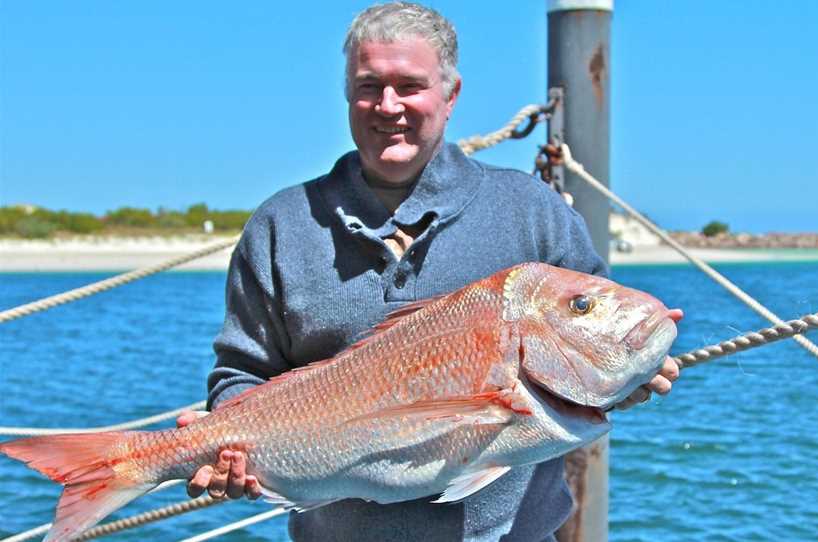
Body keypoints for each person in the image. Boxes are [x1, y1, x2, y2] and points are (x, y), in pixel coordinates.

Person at [177, 3, 679, 541]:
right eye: (369, 85)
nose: (388, 105)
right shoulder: (281, 225)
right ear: (348, 93)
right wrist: (224, 443)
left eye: (410, 85)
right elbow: (240, 373)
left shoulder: (533, 212)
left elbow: (596, 329)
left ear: (451, 94)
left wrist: (629, 377)